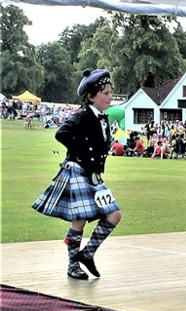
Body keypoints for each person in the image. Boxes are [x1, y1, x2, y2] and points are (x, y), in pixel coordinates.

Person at [32, 68, 122, 280]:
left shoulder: (103, 118)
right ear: (91, 96)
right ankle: (73, 265)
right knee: (79, 220)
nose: (110, 97)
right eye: (106, 93)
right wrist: (83, 153)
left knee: (114, 214)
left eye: (110, 92)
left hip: (93, 175)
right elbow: (61, 133)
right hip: (78, 171)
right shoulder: (81, 116)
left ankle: (87, 254)